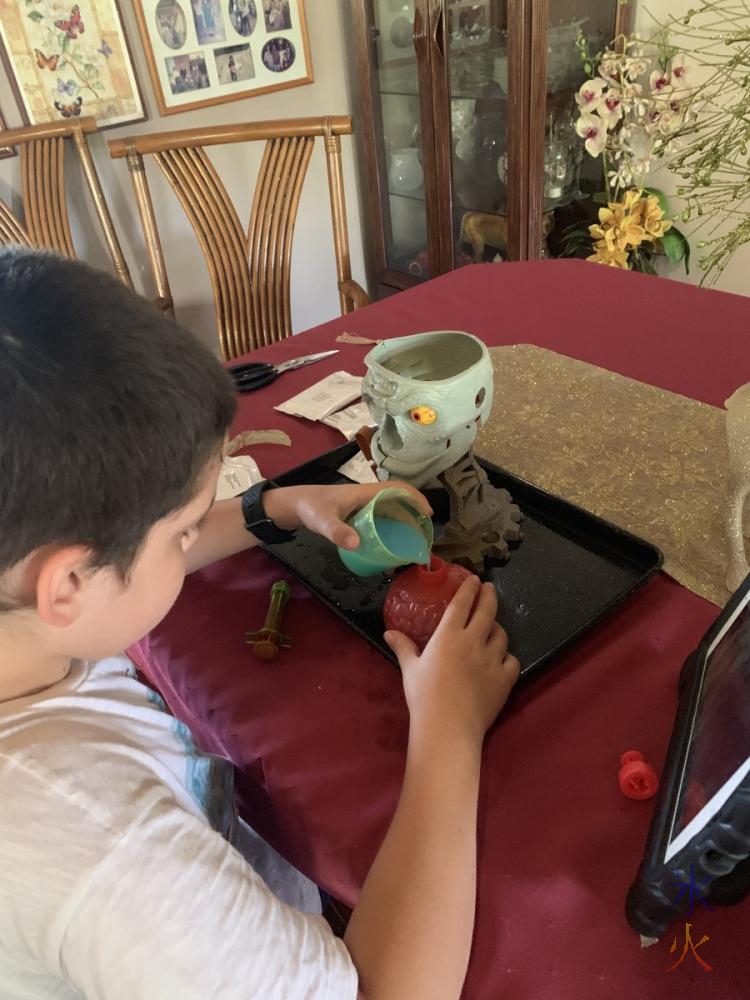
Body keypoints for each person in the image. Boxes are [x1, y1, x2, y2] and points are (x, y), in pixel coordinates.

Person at [0, 247, 519, 999]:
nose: (192, 539)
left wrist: (273, 506)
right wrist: (449, 732)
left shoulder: (27, 624)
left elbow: (117, 562)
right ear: (68, 583)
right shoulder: (102, 850)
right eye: (182, 532)